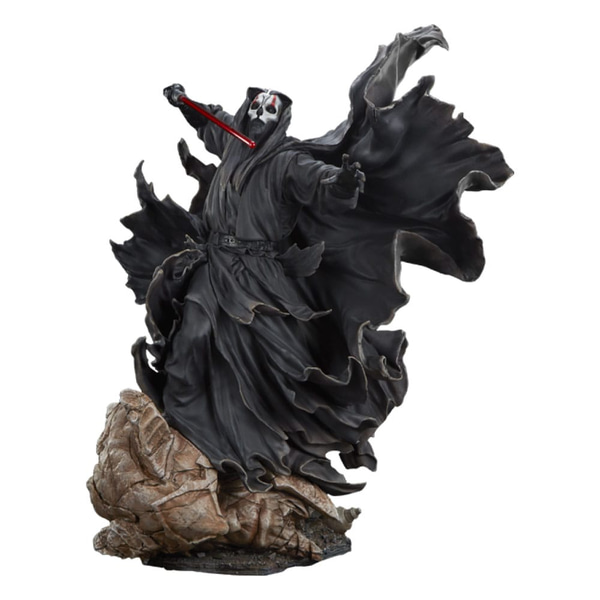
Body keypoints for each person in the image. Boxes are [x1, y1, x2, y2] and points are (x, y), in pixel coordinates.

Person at [112, 25, 512, 496]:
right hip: (213, 267)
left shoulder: (288, 161)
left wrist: (342, 185)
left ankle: (265, 449)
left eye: (269, 111)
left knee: (275, 365)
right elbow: (208, 121)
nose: (259, 116)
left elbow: (322, 182)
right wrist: (184, 102)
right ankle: (188, 430)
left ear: (280, 120)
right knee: (192, 336)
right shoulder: (232, 142)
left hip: (260, 279)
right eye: (255, 108)